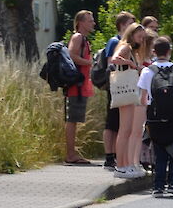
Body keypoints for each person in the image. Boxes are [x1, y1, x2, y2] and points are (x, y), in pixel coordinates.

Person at [138, 36, 173, 197]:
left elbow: (142, 99)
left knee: (159, 150)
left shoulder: (147, 71)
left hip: (155, 118)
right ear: (169, 51)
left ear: (154, 52)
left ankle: (158, 186)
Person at [110, 22, 152, 179]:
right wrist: (130, 64)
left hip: (130, 91)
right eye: (139, 36)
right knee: (125, 129)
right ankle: (121, 165)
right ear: (132, 34)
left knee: (127, 130)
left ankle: (126, 164)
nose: (141, 39)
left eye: (143, 37)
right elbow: (115, 60)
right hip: (126, 89)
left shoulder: (133, 49)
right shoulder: (126, 47)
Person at [101, 11, 136, 171]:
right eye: (130, 23)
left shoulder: (125, 42)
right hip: (116, 85)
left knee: (118, 123)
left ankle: (116, 154)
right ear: (122, 25)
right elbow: (111, 64)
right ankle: (109, 155)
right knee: (112, 121)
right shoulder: (114, 42)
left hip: (123, 85)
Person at [63, 10, 96, 164]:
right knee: (72, 120)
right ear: (80, 23)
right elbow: (71, 55)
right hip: (75, 85)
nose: (93, 23)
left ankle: (72, 153)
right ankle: (70, 155)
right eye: (90, 21)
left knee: (74, 120)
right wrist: (90, 62)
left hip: (80, 85)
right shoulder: (77, 37)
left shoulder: (84, 39)